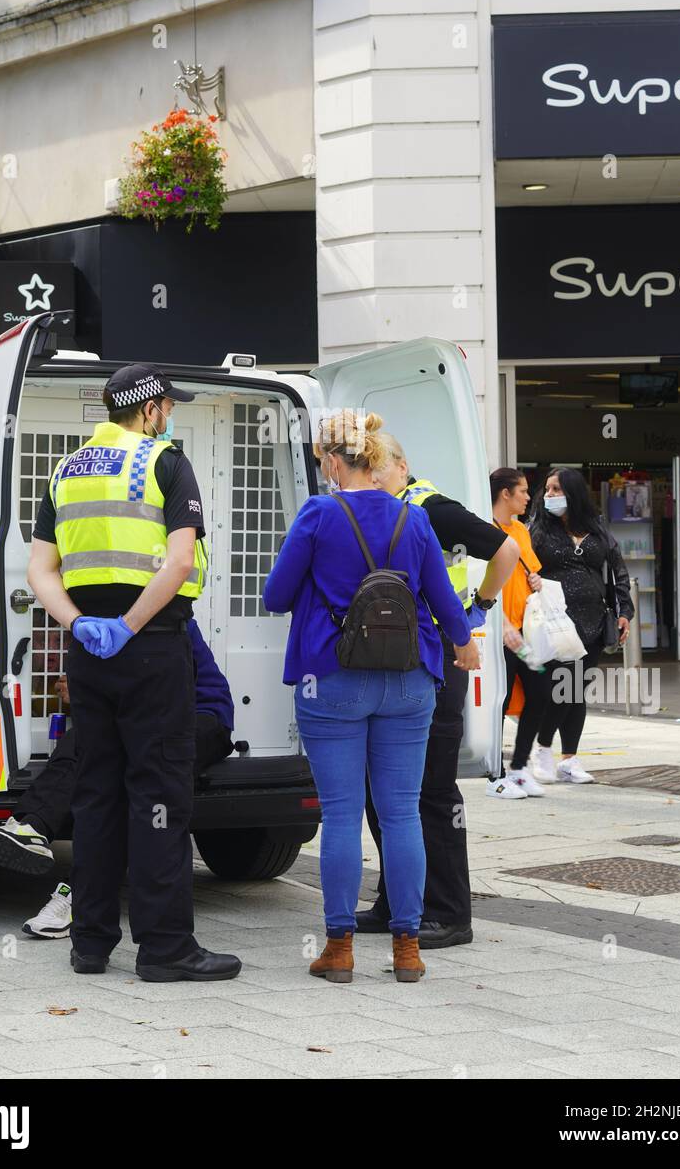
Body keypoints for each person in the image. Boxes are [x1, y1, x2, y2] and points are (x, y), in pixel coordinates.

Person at [26, 363, 240, 983]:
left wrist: (78, 624)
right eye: (168, 406)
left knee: (96, 796)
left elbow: (41, 570)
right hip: (152, 649)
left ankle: (90, 943)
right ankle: (165, 948)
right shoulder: (164, 462)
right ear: (150, 410)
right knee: (159, 797)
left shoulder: (66, 471)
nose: (169, 416)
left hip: (88, 655)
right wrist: (131, 624)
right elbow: (177, 564)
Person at [263, 411, 474, 984]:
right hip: (410, 680)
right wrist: (464, 646)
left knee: (340, 815)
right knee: (402, 811)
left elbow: (276, 596)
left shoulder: (319, 514)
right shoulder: (414, 517)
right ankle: (408, 948)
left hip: (330, 679)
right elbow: (445, 603)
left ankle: (339, 949)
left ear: (335, 462)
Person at [0, 619, 235, 940]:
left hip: (200, 717)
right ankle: (31, 827)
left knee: (130, 778)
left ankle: (73, 898)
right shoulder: (97, 622)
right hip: (145, 716)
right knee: (84, 742)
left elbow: (160, 690)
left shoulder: (163, 617)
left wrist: (86, 691)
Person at [356, 434, 520, 946]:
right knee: (382, 791)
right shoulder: (384, 507)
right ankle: (397, 900)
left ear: (402, 466)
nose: (372, 477)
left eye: (378, 467)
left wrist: (481, 610)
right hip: (398, 662)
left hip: (439, 662)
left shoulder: (431, 507)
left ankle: (450, 913)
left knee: (430, 790)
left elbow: (507, 549)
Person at [529, 468, 633, 784]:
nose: (549, 495)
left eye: (556, 489)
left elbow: (618, 571)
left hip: (594, 622)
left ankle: (569, 759)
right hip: (557, 621)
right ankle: (543, 747)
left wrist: (624, 610)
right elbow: (522, 568)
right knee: (564, 688)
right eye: (547, 489)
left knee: (577, 692)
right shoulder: (538, 529)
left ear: (572, 493)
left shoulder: (597, 529)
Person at [488, 467, 555, 799]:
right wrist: (500, 625)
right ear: (505, 494)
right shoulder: (485, 529)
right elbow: (478, 583)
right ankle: (495, 775)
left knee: (541, 693)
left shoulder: (521, 531)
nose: (529, 497)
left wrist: (536, 582)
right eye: (524, 491)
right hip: (500, 633)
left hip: (526, 633)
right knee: (496, 704)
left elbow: (529, 571)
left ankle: (518, 768)